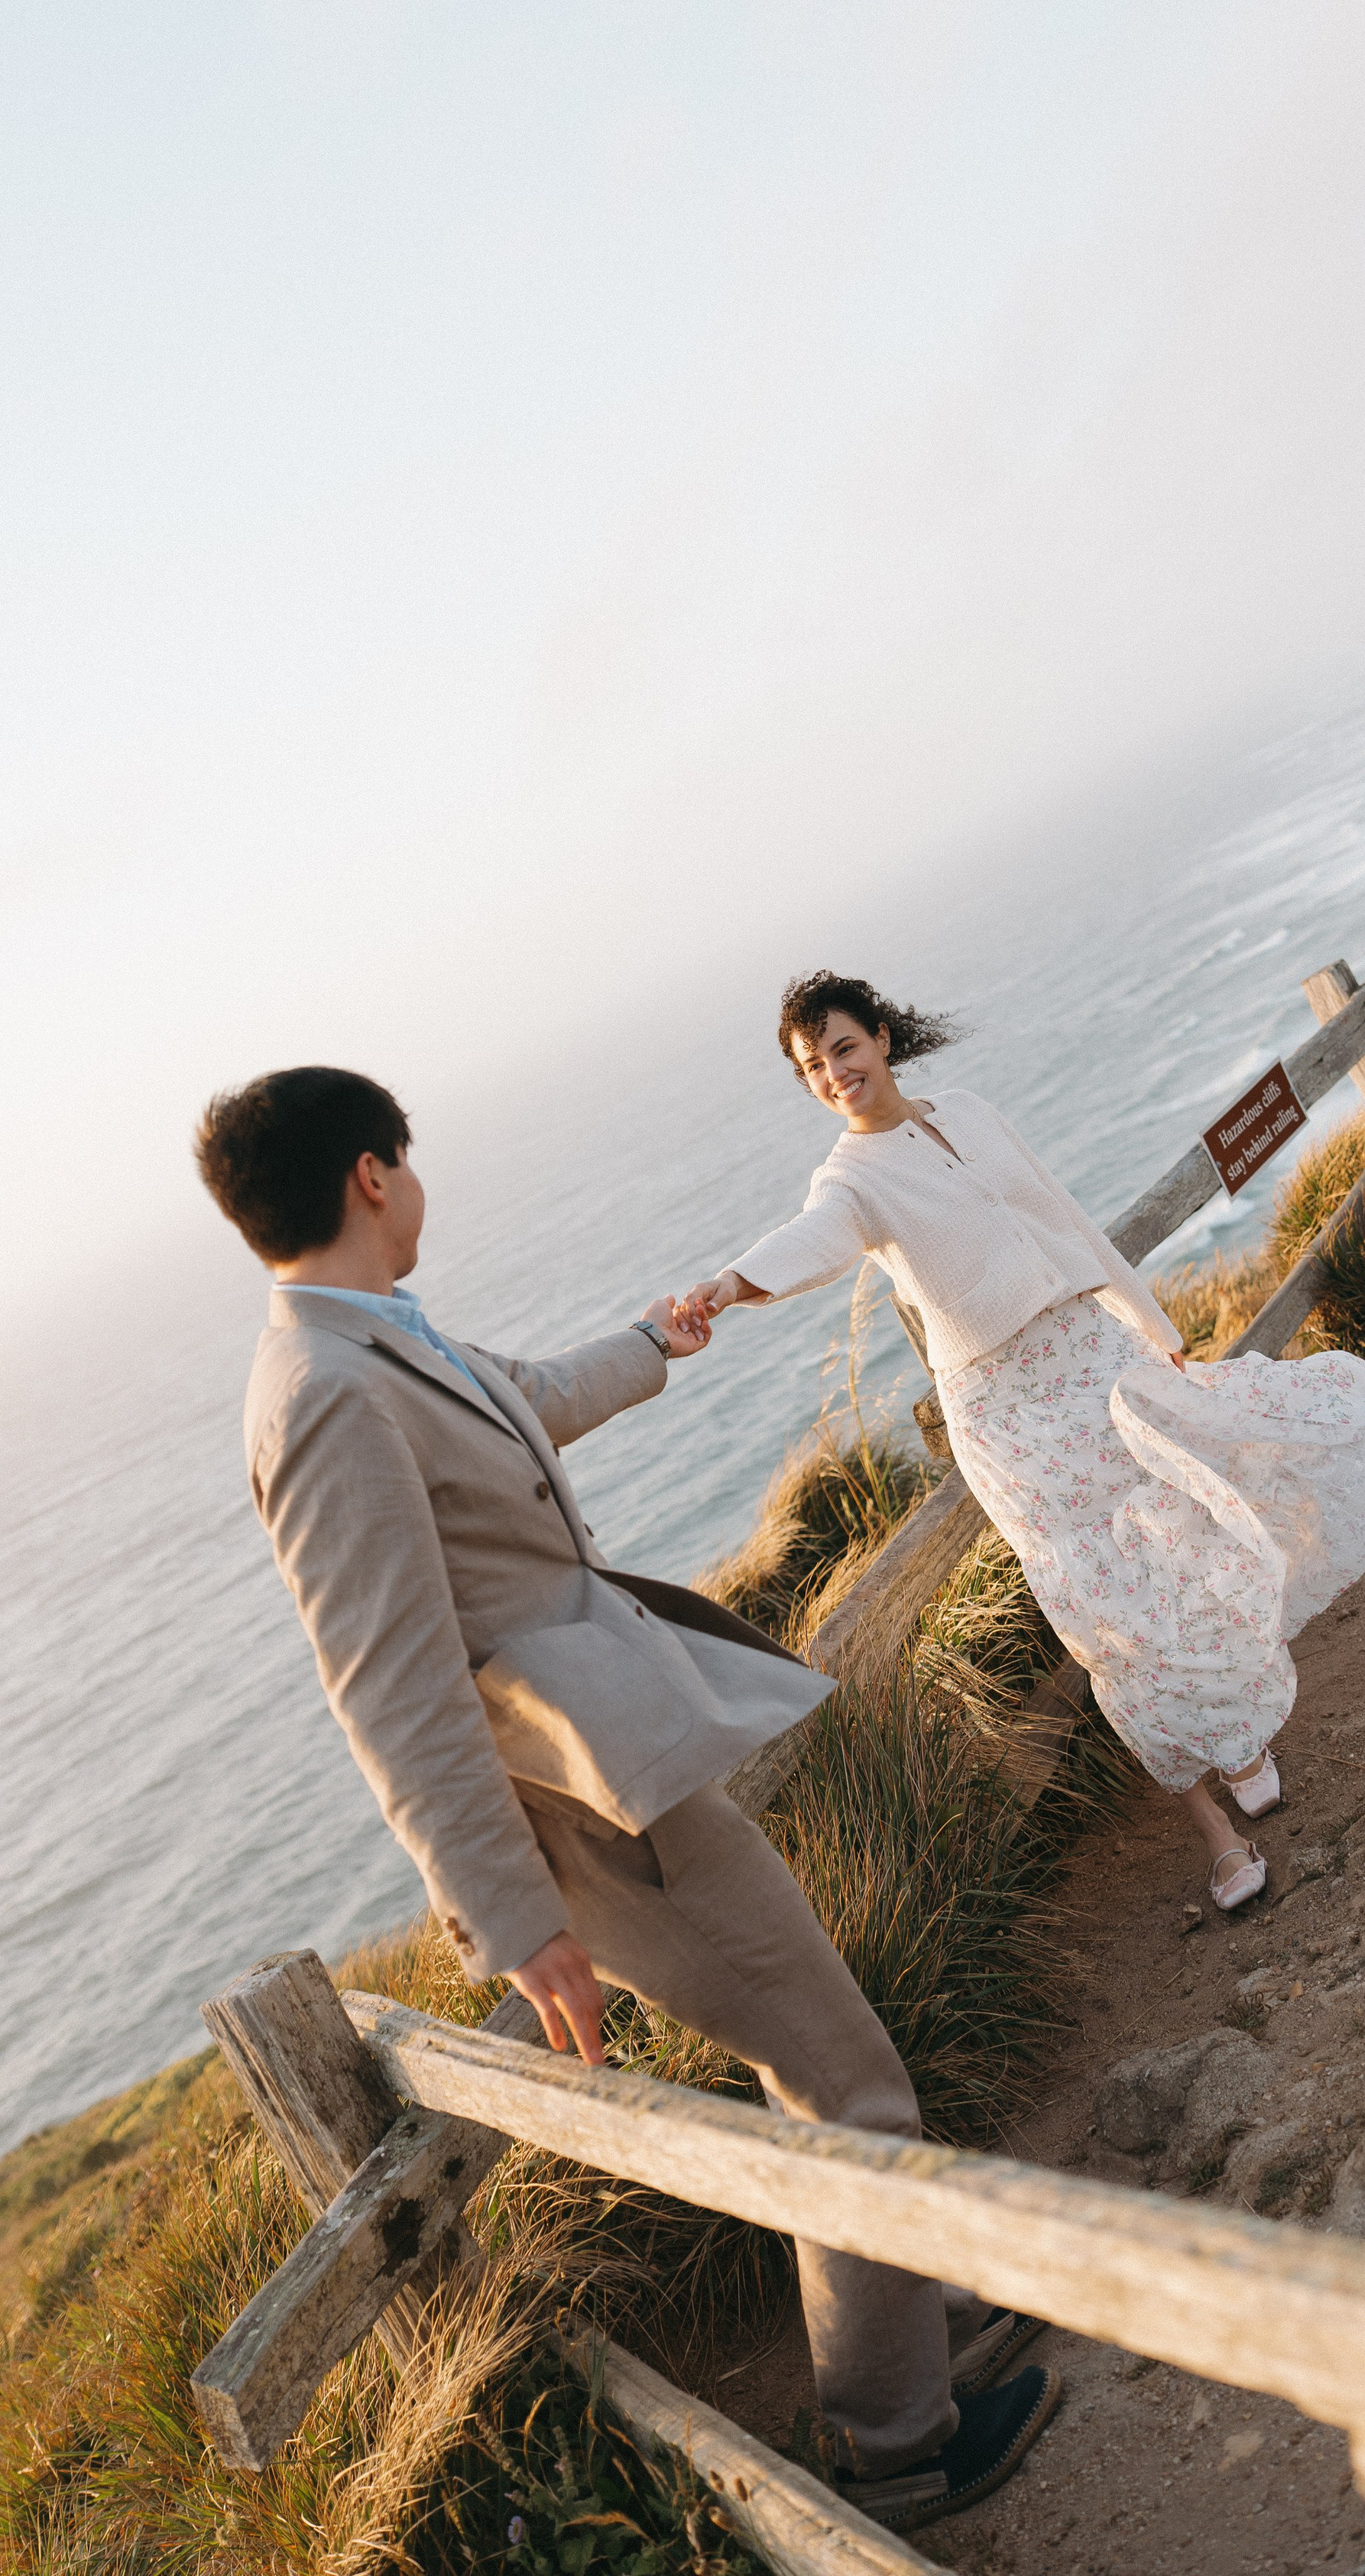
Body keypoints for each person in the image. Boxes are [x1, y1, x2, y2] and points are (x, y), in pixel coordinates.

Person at [193, 1064, 1059, 2531]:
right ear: (368, 1176)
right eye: (409, 1162)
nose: (419, 1185)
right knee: (845, 2081)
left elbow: (522, 1407)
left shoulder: (367, 1343)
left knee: (829, 2066)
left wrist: (660, 1338)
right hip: (588, 1814)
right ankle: (901, 2446)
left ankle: (912, 2341)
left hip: (608, 1781)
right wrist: (520, 1926)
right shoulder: (325, 1397)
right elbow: (392, 1692)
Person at [682, 975, 1365, 1914]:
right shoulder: (847, 1182)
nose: (834, 1074)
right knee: (1104, 1612)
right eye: (812, 1067)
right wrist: (723, 1287)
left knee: (1186, 1534)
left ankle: (1238, 1738)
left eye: (842, 1048)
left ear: (879, 1036)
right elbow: (812, 1242)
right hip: (1009, 1415)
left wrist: (1148, 1319)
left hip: (1092, 1353)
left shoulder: (968, 1112)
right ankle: (1216, 1835)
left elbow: (1065, 1217)